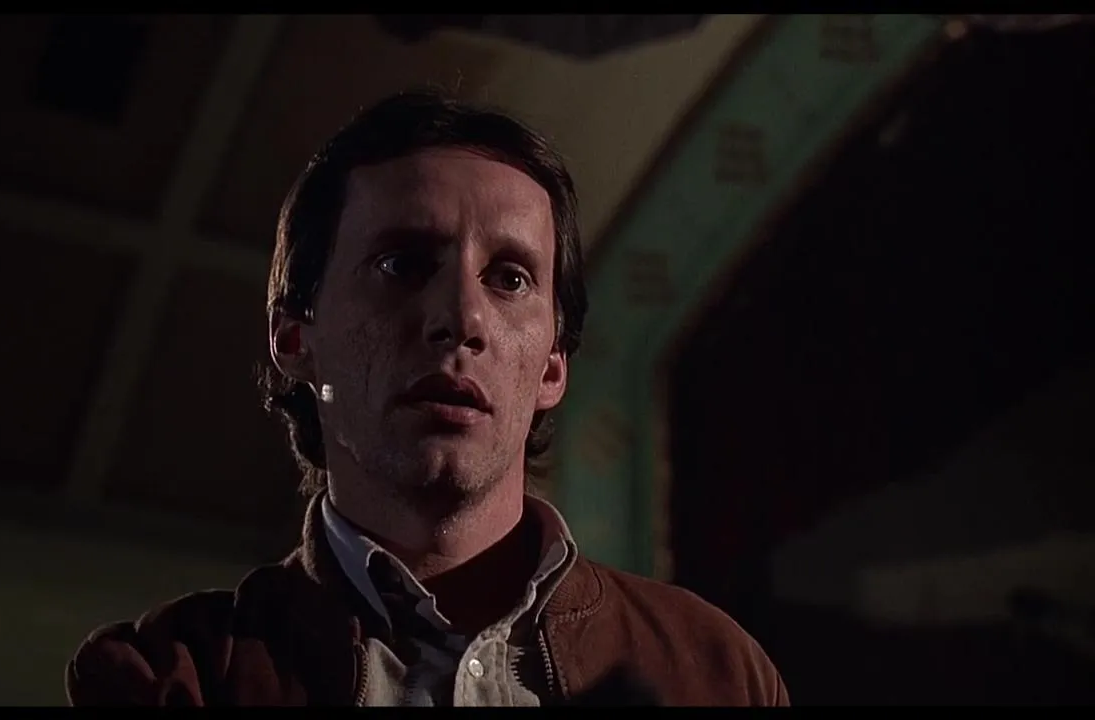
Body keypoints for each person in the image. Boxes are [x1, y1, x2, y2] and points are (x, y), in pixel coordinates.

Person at [64, 90, 788, 707]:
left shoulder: (713, 670)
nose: (462, 317)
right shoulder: (177, 677)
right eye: (403, 264)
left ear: (553, 367)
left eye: (509, 278)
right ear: (295, 337)